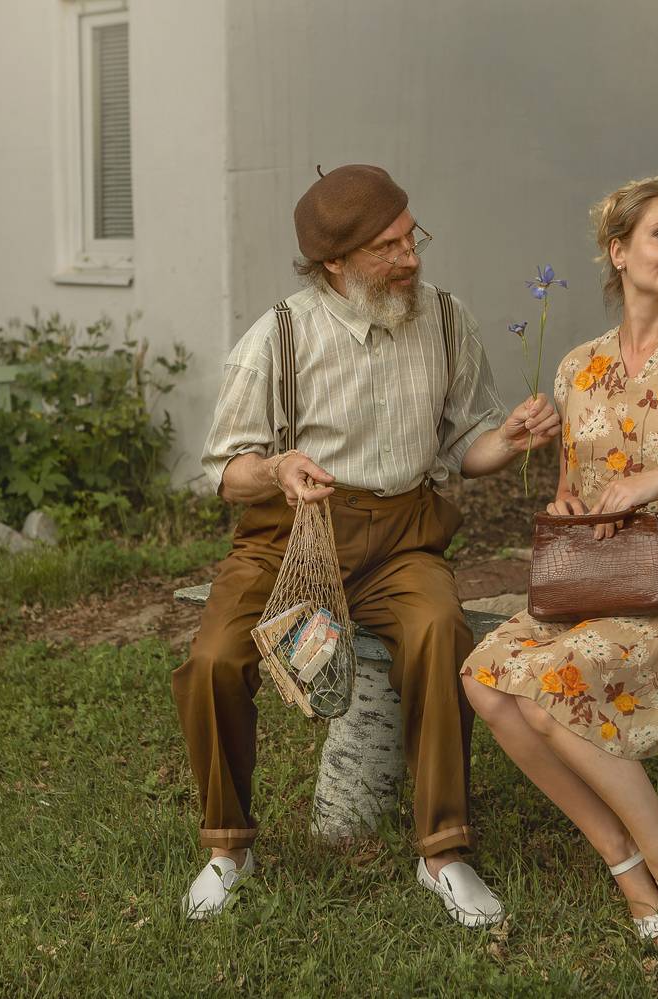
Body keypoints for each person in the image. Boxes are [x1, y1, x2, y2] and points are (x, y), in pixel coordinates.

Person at [173, 164, 561, 925]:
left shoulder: (445, 319)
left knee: (440, 631)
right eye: (388, 248)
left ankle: (443, 853)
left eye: (412, 237)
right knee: (213, 660)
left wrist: (510, 438)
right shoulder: (278, 336)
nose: (411, 257)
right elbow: (225, 471)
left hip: (402, 537)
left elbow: (467, 445)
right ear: (334, 263)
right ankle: (228, 847)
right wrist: (278, 468)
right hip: (290, 537)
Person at [459, 176, 658, 953]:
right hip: (604, 579)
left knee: (554, 687)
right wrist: (569, 505)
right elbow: (576, 488)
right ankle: (627, 859)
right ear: (619, 251)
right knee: (485, 677)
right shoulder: (578, 367)